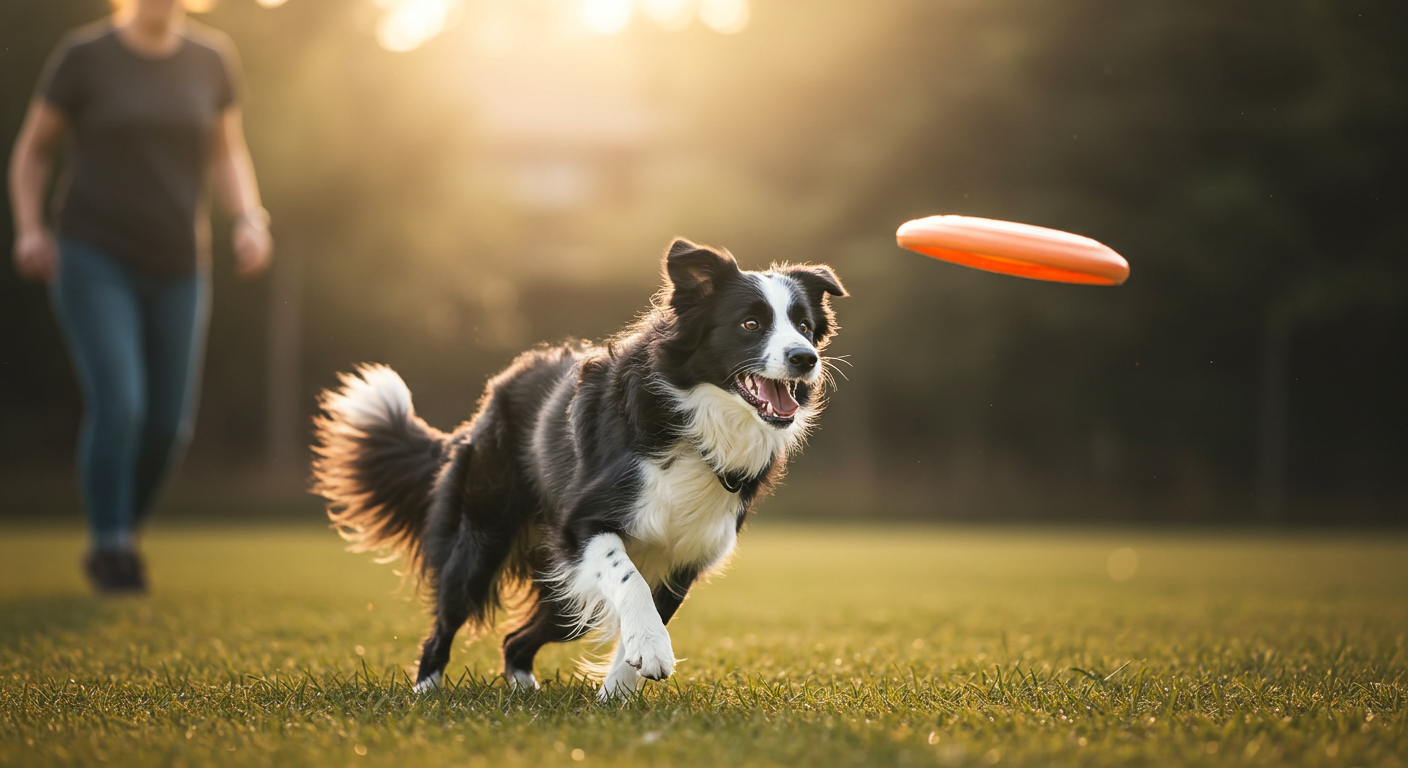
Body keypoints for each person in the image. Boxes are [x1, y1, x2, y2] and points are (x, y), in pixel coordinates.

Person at [8, 0, 272, 595]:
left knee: (168, 426)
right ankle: (111, 547)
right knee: (120, 403)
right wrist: (29, 228)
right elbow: (33, 151)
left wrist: (248, 218)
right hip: (92, 253)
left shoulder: (212, 59)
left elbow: (227, 150)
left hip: (180, 262)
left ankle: (122, 530)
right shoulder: (84, 56)